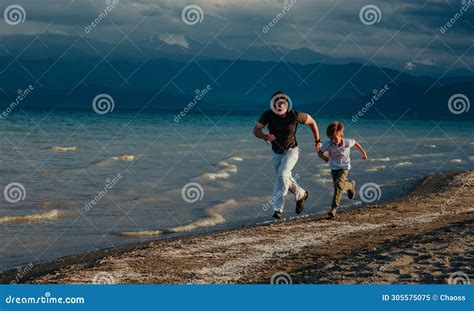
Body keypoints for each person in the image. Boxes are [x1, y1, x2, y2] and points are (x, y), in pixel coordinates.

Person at [253, 91, 322, 219]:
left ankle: (278, 209)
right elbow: (256, 130)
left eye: (281, 103)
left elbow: (312, 122)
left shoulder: (294, 115)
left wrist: (317, 141)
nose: (278, 106)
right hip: (276, 153)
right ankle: (301, 194)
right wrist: (265, 136)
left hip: (292, 150)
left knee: (282, 176)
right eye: (275, 103)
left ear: (286, 104)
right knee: (284, 178)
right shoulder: (268, 114)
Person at [318, 121, 367, 219]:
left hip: (345, 167)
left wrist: (363, 153)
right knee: (338, 186)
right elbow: (320, 152)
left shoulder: (347, 142)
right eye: (331, 138)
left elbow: (356, 143)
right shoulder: (328, 144)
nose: (333, 140)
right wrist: (324, 158)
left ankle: (333, 209)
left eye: (335, 138)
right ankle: (350, 185)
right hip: (334, 167)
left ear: (340, 134)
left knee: (338, 186)